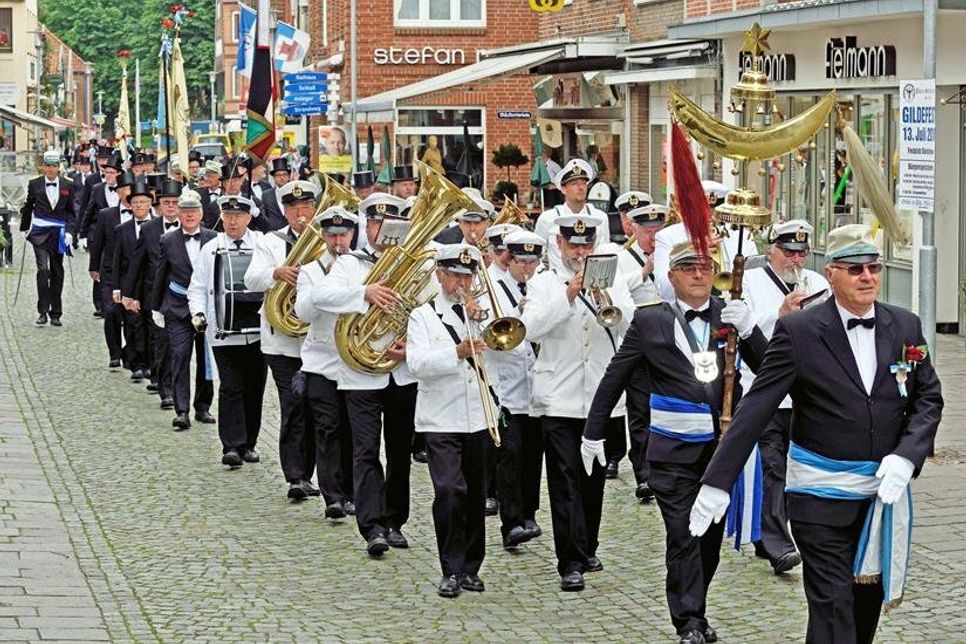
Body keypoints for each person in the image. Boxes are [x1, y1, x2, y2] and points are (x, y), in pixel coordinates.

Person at [689, 224, 943, 644]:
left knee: (863, 610)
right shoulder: (800, 331)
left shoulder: (905, 327)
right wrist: (718, 481)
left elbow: (928, 399)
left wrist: (907, 455)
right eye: (855, 268)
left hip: (880, 498)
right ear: (832, 274)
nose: (868, 277)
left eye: (874, 267)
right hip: (818, 499)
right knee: (832, 605)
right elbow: (757, 406)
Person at [583, 239, 767, 644]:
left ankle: (696, 607)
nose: (698, 274)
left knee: (710, 541)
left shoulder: (728, 314)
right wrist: (594, 430)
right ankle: (688, 622)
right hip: (671, 454)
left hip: (721, 453)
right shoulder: (651, 321)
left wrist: (751, 331)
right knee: (684, 534)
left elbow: (771, 370)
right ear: (671, 277)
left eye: (704, 267)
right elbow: (616, 375)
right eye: (688, 268)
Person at [520, 211, 633, 591]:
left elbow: (628, 324)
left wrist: (604, 295)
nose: (580, 252)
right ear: (560, 244)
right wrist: (570, 292)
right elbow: (531, 328)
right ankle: (569, 560)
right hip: (558, 398)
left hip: (600, 398)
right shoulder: (544, 282)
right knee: (564, 478)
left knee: (593, 478)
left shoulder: (614, 279)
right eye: (574, 245)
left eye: (587, 245)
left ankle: (588, 546)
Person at [315, 192, 416, 556]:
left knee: (401, 450)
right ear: (365, 228)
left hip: (402, 370)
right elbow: (321, 297)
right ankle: (372, 526)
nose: (380, 230)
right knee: (366, 450)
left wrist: (412, 338)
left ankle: (394, 520)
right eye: (374, 224)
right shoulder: (349, 265)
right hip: (360, 373)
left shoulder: (414, 262)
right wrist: (364, 292)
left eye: (388, 224)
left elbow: (429, 305)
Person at [738, 219, 829, 575]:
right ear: (771, 250)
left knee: (799, 469)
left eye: (801, 253)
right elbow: (741, 326)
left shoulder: (817, 283)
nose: (795, 260)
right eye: (788, 252)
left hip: (807, 392)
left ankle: (771, 534)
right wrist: (780, 314)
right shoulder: (749, 282)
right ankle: (778, 545)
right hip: (767, 389)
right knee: (772, 467)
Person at [407, 243, 494, 598]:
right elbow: (417, 364)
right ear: (440, 276)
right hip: (440, 418)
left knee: (475, 494)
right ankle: (450, 567)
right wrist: (455, 352)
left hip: (477, 415)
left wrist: (481, 321)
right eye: (454, 274)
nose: (461, 281)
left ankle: (471, 567)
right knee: (448, 490)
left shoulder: (481, 313)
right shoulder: (423, 316)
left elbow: (506, 351)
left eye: (467, 275)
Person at [244, 180, 322, 501]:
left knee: (317, 408)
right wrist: (276, 273)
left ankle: (312, 471)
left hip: (317, 340)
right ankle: (296, 476)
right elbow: (251, 279)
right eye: (293, 209)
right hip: (282, 342)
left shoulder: (325, 241)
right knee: (293, 406)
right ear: (285, 212)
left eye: (305, 208)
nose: (300, 214)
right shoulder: (269, 242)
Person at [188, 196, 267, 468]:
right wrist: (198, 313)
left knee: (255, 386)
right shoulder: (210, 249)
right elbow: (197, 287)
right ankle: (231, 445)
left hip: (258, 330)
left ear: (249, 217)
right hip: (223, 330)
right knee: (231, 387)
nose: (233, 221)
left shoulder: (262, 245)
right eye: (228, 216)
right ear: (222, 217)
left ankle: (249, 444)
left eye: (239, 216)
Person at [294, 204, 360, 513]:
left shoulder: (362, 266)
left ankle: (351, 491)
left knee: (352, 430)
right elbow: (304, 313)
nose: (338, 243)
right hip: (320, 361)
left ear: (352, 234)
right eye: (332, 236)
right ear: (323, 236)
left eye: (343, 235)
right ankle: (332, 495)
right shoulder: (309, 271)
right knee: (327, 427)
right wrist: (328, 283)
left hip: (354, 361)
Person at [489, 230, 544, 548]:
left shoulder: (543, 288)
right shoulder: (492, 291)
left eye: (532, 262)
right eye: (521, 261)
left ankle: (529, 513)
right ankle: (510, 522)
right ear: (509, 260)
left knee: (533, 455)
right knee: (510, 454)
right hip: (506, 386)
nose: (527, 268)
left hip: (536, 388)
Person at [150, 190, 216, 430]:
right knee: (180, 357)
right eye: (185, 211)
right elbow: (161, 274)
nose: (189, 216)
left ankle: (203, 406)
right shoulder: (168, 240)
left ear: (201, 214)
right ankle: (182, 410)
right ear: (178, 213)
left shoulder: (213, 238)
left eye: (193, 211)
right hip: (177, 308)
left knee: (206, 359)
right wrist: (156, 307)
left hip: (206, 309)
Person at [617, 202, 667, 501]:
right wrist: (645, 271)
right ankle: (644, 473)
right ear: (633, 230)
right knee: (639, 411)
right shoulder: (621, 259)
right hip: (636, 341)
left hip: (667, 341)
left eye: (656, 230)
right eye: (646, 231)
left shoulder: (670, 254)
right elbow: (615, 294)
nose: (652, 237)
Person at [120, 179, 183, 409]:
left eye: (175, 202)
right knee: (162, 344)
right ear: (159, 205)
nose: (171, 207)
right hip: (157, 296)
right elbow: (136, 263)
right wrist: (128, 294)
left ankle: (194, 400)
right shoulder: (149, 230)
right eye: (166, 202)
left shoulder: (192, 226)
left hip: (187, 297)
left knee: (184, 350)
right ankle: (165, 390)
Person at [19, 150, 77, 326]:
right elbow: (29, 207)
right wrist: (24, 228)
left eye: (54, 166)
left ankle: (56, 313)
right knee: (43, 270)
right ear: (42, 166)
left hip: (58, 233)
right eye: (47, 166)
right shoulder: (34, 184)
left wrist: (70, 233)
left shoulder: (68, 185)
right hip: (39, 233)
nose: (50, 169)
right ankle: (42, 311)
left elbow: (72, 213)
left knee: (57, 270)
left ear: (58, 167)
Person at [88, 169, 136, 367]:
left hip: (133, 273)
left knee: (132, 317)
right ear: (118, 192)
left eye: (130, 188)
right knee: (111, 312)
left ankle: (131, 353)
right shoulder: (106, 215)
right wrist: (94, 267)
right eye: (123, 188)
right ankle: (114, 352)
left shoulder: (144, 215)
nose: (127, 192)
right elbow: (98, 242)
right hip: (109, 271)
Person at [533, 159, 610, 272]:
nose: (581, 187)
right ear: (563, 189)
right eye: (574, 184)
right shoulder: (548, 218)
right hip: (557, 284)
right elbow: (536, 255)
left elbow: (604, 254)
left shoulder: (600, 217)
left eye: (583, 183)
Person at [111, 181, 155, 382]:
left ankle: (151, 363)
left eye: (142, 202)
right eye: (135, 202)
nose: (138, 206)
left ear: (149, 204)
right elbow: (116, 259)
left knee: (151, 324)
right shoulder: (122, 229)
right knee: (132, 323)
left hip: (150, 283)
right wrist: (117, 288)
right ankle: (136, 363)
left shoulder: (157, 226)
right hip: (129, 281)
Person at [257, 158, 291, 231]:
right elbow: (264, 215)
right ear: (274, 177)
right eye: (278, 175)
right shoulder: (266, 195)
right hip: (273, 234)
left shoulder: (293, 192)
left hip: (290, 233)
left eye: (284, 174)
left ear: (288, 177)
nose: (282, 177)